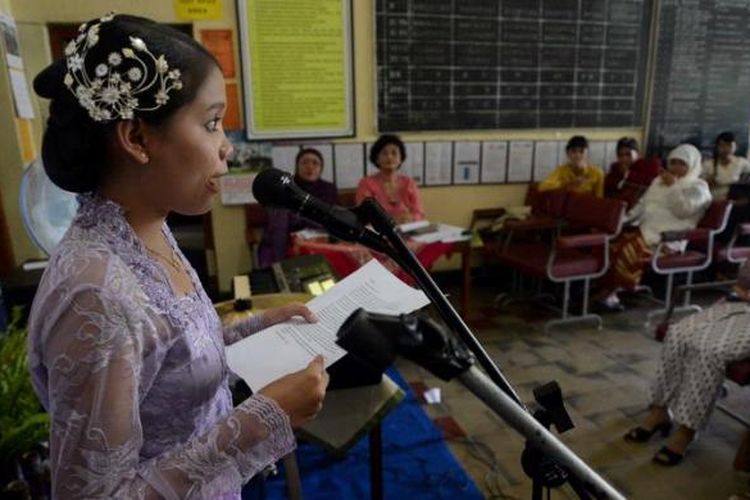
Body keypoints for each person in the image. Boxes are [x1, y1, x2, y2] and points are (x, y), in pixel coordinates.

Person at [27, 14, 328, 499]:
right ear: (137, 139)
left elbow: (168, 361)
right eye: (211, 123)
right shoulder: (95, 294)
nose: (227, 146)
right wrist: (258, 422)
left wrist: (258, 326)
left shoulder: (147, 228)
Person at [624, 260, 750, 466]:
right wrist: (744, 287)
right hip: (739, 301)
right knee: (677, 334)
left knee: (709, 350)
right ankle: (659, 412)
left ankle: (687, 431)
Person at [596, 144, 712, 311]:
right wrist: (622, 221)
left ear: (692, 165)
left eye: (682, 163)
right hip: (645, 232)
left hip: (668, 239)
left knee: (626, 251)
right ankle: (611, 292)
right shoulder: (659, 180)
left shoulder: (699, 188)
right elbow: (643, 205)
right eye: (673, 163)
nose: (676, 168)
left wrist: (673, 187)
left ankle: (612, 295)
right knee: (610, 245)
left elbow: (682, 211)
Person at [257, 148, 338, 267]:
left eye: (315, 163)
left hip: (322, 242)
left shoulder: (328, 189)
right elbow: (278, 227)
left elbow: (335, 219)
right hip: (288, 242)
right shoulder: (286, 188)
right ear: (297, 166)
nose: (310, 167)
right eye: (305, 162)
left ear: (321, 168)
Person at [356, 134, 425, 224]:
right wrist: (393, 221)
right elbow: (365, 216)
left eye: (394, 153)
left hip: (408, 231)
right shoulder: (366, 184)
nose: (389, 157)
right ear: (377, 159)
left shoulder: (409, 183)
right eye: (384, 153)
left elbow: (419, 213)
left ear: (400, 159)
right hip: (379, 234)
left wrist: (411, 218)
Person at [537, 135, 604, 197]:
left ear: (587, 153)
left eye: (581, 151)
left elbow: (599, 198)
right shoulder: (561, 171)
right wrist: (568, 184)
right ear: (568, 153)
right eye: (574, 151)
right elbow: (542, 187)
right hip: (567, 207)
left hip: (588, 207)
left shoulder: (597, 173)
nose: (577, 155)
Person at [603, 137, 661, 208]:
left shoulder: (650, 165)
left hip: (644, 207)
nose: (624, 159)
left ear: (638, 153)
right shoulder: (616, 167)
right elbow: (607, 187)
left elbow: (652, 182)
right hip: (619, 207)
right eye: (620, 155)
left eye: (628, 154)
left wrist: (627, 174)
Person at [701, 131, 750, 200]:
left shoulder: (741, 162)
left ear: (735, 146)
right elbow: (699, 184)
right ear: (717, 147)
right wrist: (708, 182)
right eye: (722, 145)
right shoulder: (708, 164)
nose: (726, 149)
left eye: (729, 145)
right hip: (714, 200)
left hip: (735, 200)